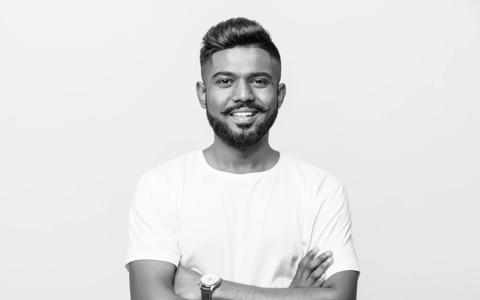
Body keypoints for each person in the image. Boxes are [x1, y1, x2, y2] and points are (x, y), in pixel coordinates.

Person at [126, 17, 360, 300]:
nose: (243, 95)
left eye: (259, 81)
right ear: (203, 94)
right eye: (225, 81)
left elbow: (338, 298)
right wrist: (293, 295)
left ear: (280, 94)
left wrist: (211, 288)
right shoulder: (161, 186)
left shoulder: (321, 190)